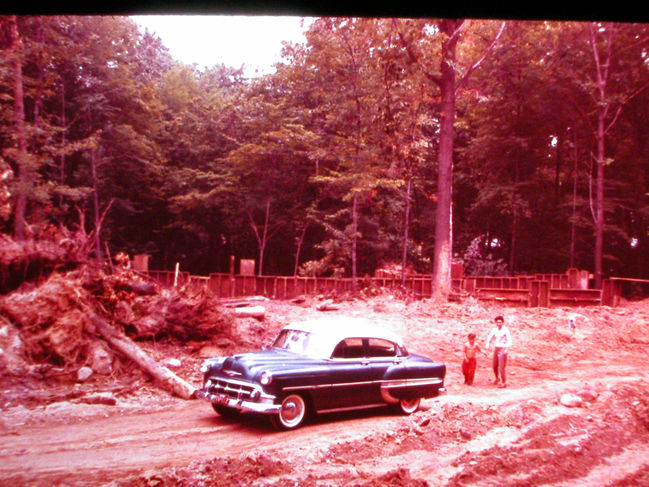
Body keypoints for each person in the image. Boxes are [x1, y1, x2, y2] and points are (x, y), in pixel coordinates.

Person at [485, 315, 512, 388]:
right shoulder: (495, 330)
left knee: (501, 366)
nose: (499, 324)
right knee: (494, 365)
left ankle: (504, 382)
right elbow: (490, 336)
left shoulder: (506, 330)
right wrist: (487, 344)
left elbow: (509, 340)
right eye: (497, 322)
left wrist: (506, 349)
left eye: (500, 322)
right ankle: (497, 378)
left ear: (502, 322)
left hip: (503, 347)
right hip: (496, 347)